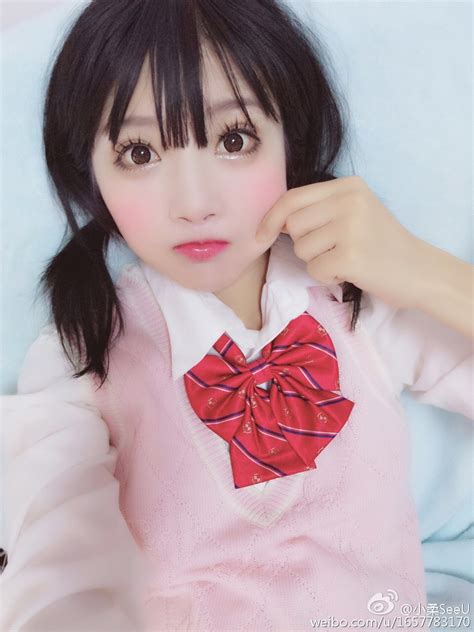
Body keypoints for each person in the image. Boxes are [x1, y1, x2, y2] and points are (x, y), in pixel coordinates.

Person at [1, 0, 472, 630]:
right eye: (139, 153)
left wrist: (423, 270)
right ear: (90, 172)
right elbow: (56, 573)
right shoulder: (83, 350)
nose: (194, 203)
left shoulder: (359, 297)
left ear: (290, 142)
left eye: (233, 140)